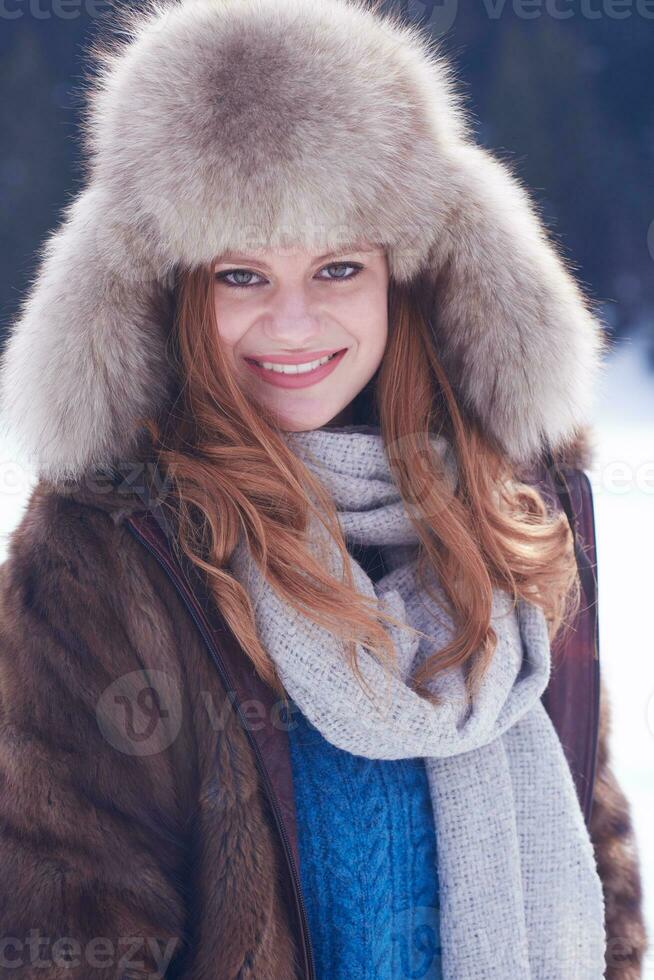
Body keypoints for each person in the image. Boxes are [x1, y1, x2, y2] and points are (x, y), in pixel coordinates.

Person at [0, 0, 646, 977]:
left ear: (409, 276)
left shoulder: (521, 516)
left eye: (337, 266)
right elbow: (64, 928)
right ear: (173, 290)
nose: (292, 326)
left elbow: (598, 855)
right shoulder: (110, 552)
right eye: (242, 275)